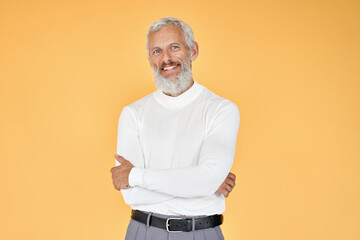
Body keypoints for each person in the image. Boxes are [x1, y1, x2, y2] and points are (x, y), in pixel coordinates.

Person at [110, 16, 240, 240]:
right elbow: (131, 196)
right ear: (150, 59)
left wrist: (134, 176)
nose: (166, 58)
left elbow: (206, 180)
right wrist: (198, 183)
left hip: (201, 233)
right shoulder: (133, 113)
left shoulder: (221, 109)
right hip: (144, 232)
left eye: (174, 47)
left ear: (193, 51)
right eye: (157, 51)